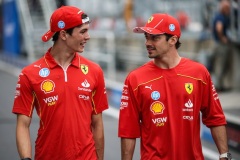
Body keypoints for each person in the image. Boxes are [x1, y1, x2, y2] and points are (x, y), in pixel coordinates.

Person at [118, 13, 232, 160]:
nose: (147, 42)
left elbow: (215, 118)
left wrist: (224, 155)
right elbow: (128, 131)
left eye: (155, 38)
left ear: (172, 40)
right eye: (146, 37)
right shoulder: (135, 79)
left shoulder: (199, 73)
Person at [12, 6, 108, 160]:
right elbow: (23, 124)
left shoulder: (94, 71)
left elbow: (97, 123)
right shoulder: (29, 74)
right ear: (63, 34)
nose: (88, 36)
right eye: (82, 31)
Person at [211, 0, 232, 91]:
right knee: (220, 65)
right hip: (221, 45)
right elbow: (219, 28)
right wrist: (222, 38)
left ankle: (220, 85)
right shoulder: (221, 16)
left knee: (222, 65)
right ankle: (218, 86)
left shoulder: (220, 15)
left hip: (218, 44)